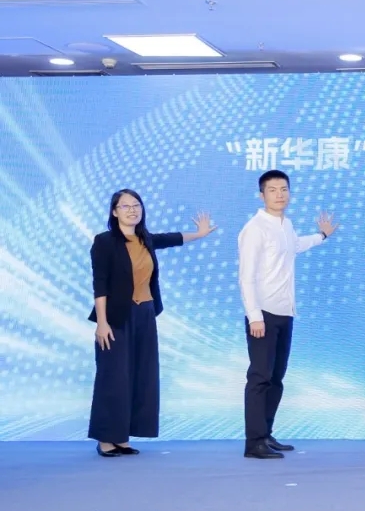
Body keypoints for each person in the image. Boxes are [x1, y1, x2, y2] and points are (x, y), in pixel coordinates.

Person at [89, 189, 216, 457]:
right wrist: (102, 322)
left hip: (145, 314)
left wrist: (200, 234)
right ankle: (106, 439)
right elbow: (100, 284)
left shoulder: (145, 238)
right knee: (114, 376)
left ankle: (123, 437)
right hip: (116, 317)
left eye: (136, 205)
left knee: (141, 375)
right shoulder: (104, 241)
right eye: (125, 206)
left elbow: (172, 238)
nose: (132, 210)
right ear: (114, 212)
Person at [238, 170, 338, 459]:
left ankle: (266, 433)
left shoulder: (286, 224)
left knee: (276, 378)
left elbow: (294, 246)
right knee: (259, 378)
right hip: (263, 314)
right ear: (262, 195)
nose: (279, 194)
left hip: (285, 311)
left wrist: (321, 236)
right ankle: (253, 442)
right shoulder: (255, 229)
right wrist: (254, 316)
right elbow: (246, 277)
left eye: (284, 189)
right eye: (272, 190)